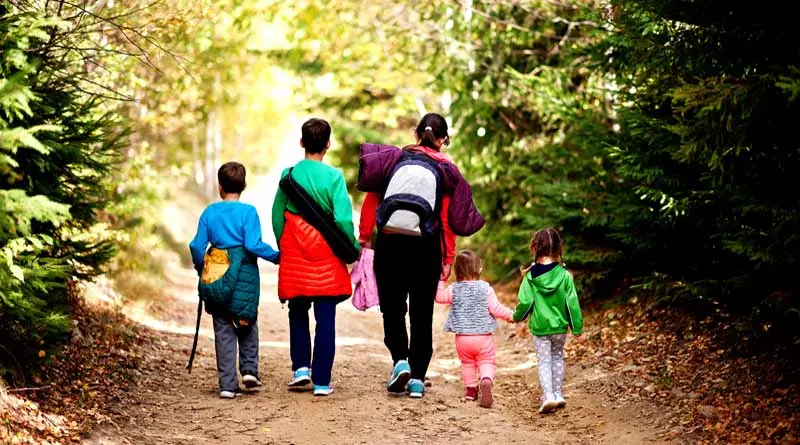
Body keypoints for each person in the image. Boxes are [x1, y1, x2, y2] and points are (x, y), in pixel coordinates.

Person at [359, 112, 458, 398]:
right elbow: (447, 219)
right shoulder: (445, 168)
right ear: (443, 140)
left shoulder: (393, 160)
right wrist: (448, 257)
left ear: (416, 135)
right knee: (421, 313)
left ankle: (400, 360)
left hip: (390, 242)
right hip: (426, 246)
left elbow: (372, 201)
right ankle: (417, 378)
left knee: (392, 307)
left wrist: (365, 238)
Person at [272, 118, 359, 396]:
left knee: (297, 311)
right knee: (326, 317)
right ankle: (321, 380)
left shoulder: (289, 175)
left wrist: (284, 247)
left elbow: (277, 217)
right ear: (328, 145)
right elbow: (344, 219)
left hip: (296, 252)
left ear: (302, 143)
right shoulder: (334, 178)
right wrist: (351, 248)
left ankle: (300, 370)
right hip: (326, 254)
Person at [189, 162, 280, 399]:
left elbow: (196, 246)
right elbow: (253, 244)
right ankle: (249, 370)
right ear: (244, 185)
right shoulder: (248, 212)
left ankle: (227, 385)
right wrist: (277, 257)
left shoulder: (210, 212)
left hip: (218, 274)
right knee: (247, 320)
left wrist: (203, 269)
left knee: (223, 330)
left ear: (220, 187)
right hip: (244, 275)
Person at [512, 228, 583, 413]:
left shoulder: (530, 277)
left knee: (544, 360)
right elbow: (572, 303)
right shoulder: (565, 276)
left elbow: (525, 301)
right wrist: (576, 326)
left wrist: (517, 317)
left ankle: (549, 396)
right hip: (560, 327)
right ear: (559, 249)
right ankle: (558, 394)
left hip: (540, 327)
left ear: (534, 248)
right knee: (558, 357)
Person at [435, 250, 514, 408]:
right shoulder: (486, 289)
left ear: (458, 270)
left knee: (467, 363)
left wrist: (440, 279)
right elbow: (495, 308)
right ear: (479, 269)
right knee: (486, 360)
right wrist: (512, 315)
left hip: (463, 339)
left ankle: (471, 391)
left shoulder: (454, 289)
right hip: (483, 337)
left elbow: (439, 297)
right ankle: (486, 379)